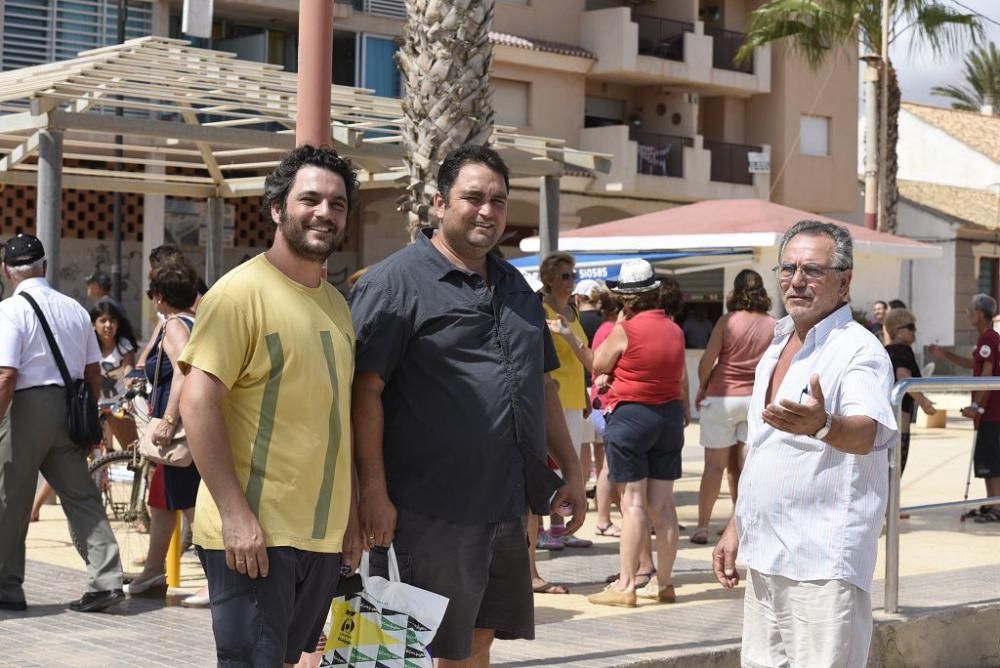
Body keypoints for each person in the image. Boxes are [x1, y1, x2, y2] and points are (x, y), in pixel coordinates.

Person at [350, 144, 586, 667]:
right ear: (438, 203)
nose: (487, 211)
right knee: (417, 646)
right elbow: (363, 391)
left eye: (497, 200)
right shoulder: (395, 284)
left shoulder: (517, 288)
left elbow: (541, 385)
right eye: (473, 197)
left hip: (505, 505)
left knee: (479, 639)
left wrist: (570, 469)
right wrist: (372, 492)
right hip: (429, 510)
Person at [179, 145, 362, 666]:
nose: (324, 212)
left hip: (320, 535)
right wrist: (236, 515)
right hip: (254, 535)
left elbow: (336, 420)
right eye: (310, 199)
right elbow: (198, 402)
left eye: (337, 203)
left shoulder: (336, 305)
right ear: (278, 209)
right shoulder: (239, 294)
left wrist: (348, 516)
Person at [713, 220, 898, 668]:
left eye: (812, 270)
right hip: (766, 554)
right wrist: (737, 525)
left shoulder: (859, 350)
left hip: (822, 562)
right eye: (788, 268)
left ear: (844, 280)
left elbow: (868, 430)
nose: (797, 281)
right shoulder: (776, 345)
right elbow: (763, 447)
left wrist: (823, 425)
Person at [0, 234, 124, 613]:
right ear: (45, 267)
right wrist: (88, 419)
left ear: (7, 271)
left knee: (10, 498)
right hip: (71, 407)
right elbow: (92, 372)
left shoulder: (8, 311)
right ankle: (106, 581)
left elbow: (6, 375)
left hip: (25, 407)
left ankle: (7, 587)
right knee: (81, 495)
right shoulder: (73, 308)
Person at [587, 259, 687, 608]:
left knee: (632, 503)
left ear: (626, 298)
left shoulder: (625, 329)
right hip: (669, 417)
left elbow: (598, 363)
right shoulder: (674, 328)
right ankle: (665, 583)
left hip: (631, 416)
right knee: (663, 504)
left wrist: (618, 326)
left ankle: (626, 585)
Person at [124, 259, 206, 608]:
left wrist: (169, 419)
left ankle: (219, 580)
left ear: (159, 297)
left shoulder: (174, 326)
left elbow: (183, 372)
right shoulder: (193, 319)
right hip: (188, 427)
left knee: (190, 507)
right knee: (161, 502)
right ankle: (155, 569)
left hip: (180, 431)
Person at [30, 300, 140, 522]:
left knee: (135, 456)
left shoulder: (124, 345)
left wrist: (130, 383)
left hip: (118, 407)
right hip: (91, 407)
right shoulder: (88, 345)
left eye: (112, 320)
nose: (108, 325)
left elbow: (130, 369)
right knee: (69, 456)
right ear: (93, 325)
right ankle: (35, 507)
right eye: (103, 320)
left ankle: (138, 511)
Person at [691, 270, 775, 544]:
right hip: (755, 401)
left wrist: (703, 386)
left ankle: (702, 526)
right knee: (745, 468)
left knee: (713, 468)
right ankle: (740, 527)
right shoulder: (774, 324)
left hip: (722, 397)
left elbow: (708, 360)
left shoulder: (727, 321)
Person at [538, 252, 593, 551]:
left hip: (573, 395)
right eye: (565, 276)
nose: (572, 281)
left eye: (574, 275)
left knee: (569, 463)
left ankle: (563, 526)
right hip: (553, 396)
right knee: (552, 462)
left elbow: (578, 359)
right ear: (548, 279)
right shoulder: (540, 308)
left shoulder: (574, 311)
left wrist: (584, 393)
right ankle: (549, 526)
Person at [929, 294, 1000, 522]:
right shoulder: (985, 340)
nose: (968, 313)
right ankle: (992, 502)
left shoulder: (989, 339)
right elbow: (974, 365)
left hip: (991, 411)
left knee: (991, 460)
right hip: (988, 411)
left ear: (980, 314)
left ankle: (996, 505)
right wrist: (944, 355)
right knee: (987, 459)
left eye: (970, 310)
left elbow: (988, 374)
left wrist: (976, 406)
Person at [883, 308, 935, 478]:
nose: (915, 332)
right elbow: (904, 377)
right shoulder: (903, 350)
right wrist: (924, 402)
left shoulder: (885, 350)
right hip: (900, 416)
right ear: (897, 330)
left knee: (885, 470)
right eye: (910, 327)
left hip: (884, 417)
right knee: (896, 467)